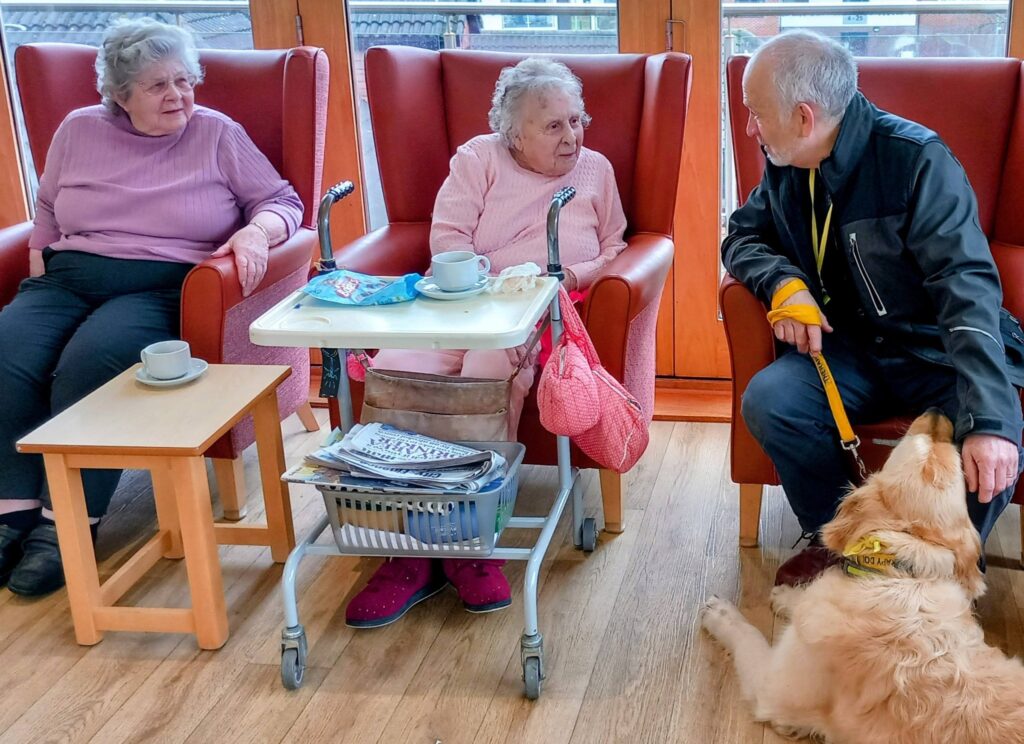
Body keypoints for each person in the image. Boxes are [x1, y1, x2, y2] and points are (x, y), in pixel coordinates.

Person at [0, 19, 304, 596]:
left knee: (89, 365)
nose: (178, 96)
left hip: (161, 285)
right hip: (68, 277)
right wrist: (40, 262)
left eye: (185, 81)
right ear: (120, 95)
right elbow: (49, 206)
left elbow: (281, 201)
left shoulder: (216, 133)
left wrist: (255, 232)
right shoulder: (79, 128)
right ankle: (11, 511)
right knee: (6, 353)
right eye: (158, 85)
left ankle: (66, 525)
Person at [723, 31, 1024, 587]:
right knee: (772, 401)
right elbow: (742, 237)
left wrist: (990, 420)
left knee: (990, 438)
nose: (750, 129)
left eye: (756, 114)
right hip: (851, 350)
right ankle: (839, 543)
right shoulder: (787, 161)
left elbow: (967, 287)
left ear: (804, 117)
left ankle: (932, 575)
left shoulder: (916, 160)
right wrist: (783, 284)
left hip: (938, 353)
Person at [345, 57, 627, 628]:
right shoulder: (478, 158)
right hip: (460, 305)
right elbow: (448, 238)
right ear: (513, 133)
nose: (572, 137)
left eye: (577, 120)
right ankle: (405, 549)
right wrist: (481, 282)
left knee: (484, 374)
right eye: (554, 126)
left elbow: (615, 247)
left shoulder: (595, 170)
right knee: (397, 370)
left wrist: (566, 277)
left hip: (534, 316)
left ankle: (469, 543)